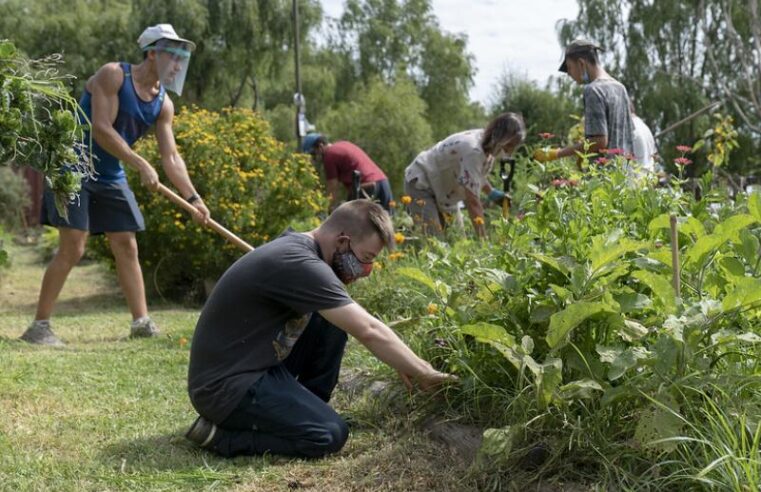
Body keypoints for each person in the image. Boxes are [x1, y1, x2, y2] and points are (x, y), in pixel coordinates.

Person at [184, 200, 455, 458]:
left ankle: (307, 408)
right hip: (224, 388)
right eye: (366, 257)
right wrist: (423, 370)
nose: (365, 270)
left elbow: (354, 319)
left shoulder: (300, 247)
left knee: (331, 321)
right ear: (342, 240)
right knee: (328, 434)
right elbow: (368, 329)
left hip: (255, 365)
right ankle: (222, 438)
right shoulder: (301, 263)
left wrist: (400, 358)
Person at [19, 24, 210, 346]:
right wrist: (140, 164)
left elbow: (172, 157)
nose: (177, 65)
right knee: (74, 246)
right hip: (73, 166)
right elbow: (101, 130)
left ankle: (141, 322)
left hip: (110, 174)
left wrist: (193, 197)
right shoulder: (113, 75)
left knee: (126, 244)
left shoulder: (163, 103)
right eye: (172, 56)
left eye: (181, 59)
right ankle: (39, 327)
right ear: (152, 53)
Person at [403, 112, 526, 238]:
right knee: (434, 242)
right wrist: (483, 241)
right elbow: (472, 201)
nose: (510, 151)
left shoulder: (488, 146)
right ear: (501, 138)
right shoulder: (474, 150)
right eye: (510, 145)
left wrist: (491, 192)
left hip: (445, 191)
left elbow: (474, 176)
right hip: (423, 183)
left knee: (457, 241)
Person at [534, 39, 634, 166]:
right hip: (625, 175)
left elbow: (599, 141)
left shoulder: (593, 90)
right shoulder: (620, 88)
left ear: (581, 63)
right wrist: (583, 151)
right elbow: (629, 133)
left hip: (605, 178)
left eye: (569, 67)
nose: (569, 74)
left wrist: (557, 153)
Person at [301, 134, 393, 212]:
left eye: (313, 154)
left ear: (320, 146)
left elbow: (332, 189)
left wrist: (327, 210)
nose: (314, 158)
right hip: (383, 182)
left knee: (351, 224)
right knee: (390, 223)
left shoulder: (329, 156)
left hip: (367, 187)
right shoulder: (343, 144)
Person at [630, 103, 658, 174]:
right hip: (647, 178)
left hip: (635, 179)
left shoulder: (630, 127)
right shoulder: (644, 126)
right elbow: (654, 156)